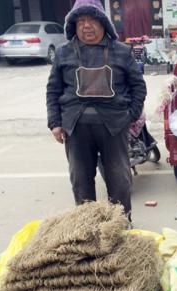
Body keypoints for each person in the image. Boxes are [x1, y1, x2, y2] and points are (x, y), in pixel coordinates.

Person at [46, 0, 147, 218]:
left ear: (103, 23)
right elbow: (53, 89)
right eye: (81, 21)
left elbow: (138, 86)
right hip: (76, 125)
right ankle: (87, 227)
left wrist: (131, 115)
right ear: (73, 25)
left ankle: (120, 223)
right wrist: (55, 123)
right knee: (80, 179)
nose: (86, 26)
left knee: (119, 177)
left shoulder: (121, 51)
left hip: (114, 125)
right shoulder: (64, 53)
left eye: (92, 20)